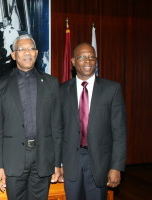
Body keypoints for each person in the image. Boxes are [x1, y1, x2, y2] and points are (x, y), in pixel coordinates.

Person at [0, 34, 62, 200]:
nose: (27, 53)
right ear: (13, 55)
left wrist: (57, 163)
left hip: (43, 157)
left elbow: (57, 127)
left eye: (31, 48)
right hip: (13, 158)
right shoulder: (1, 85)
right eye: (21, 49)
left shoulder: (51, 83)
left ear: (37, 53)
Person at [59, 43, 127, 200]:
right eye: (82, 57)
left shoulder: (112, 89)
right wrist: (58, 164)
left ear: (96, 61)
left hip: (100, 162)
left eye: (91, 57)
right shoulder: (61, 91)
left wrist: (116, 167)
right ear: (73, 61)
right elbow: (57, 130)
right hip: (70, 162)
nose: (87, 61)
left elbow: (119, 132)